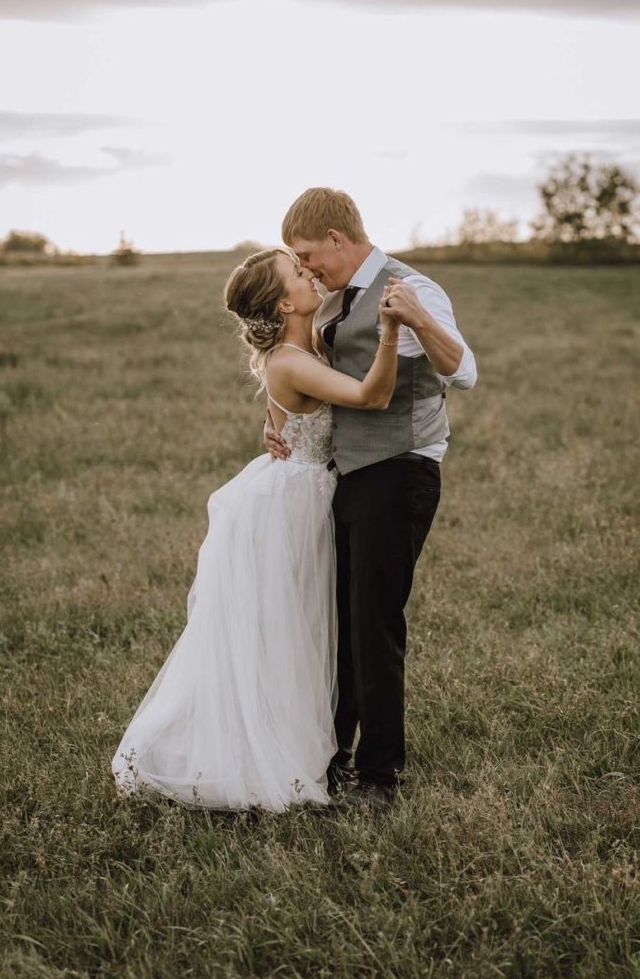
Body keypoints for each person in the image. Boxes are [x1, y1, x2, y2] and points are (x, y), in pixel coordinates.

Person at [111, 247, 401, 812]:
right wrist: (392, 327)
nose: (310, 273)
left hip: (311, 487)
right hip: (293, 501)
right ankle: (261, 747)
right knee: (286, 627)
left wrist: (272, 424)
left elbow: (294, 414)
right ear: (283, 301)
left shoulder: (311, 339)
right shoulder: (289, 360)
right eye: (299, 273)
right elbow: (369, 395)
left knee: (307, 625)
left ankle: (309, 740)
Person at [265, 188, 477, 812]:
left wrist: (418, 319)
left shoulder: (414, 287)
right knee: (346, 624)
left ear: (337, 238)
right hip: (350, 473)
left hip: (400, 468)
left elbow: (463, 372)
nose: (306, 268)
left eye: (309, 254)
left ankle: (380, 778)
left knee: (374, 626)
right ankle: (333, 756)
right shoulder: (333, 294)